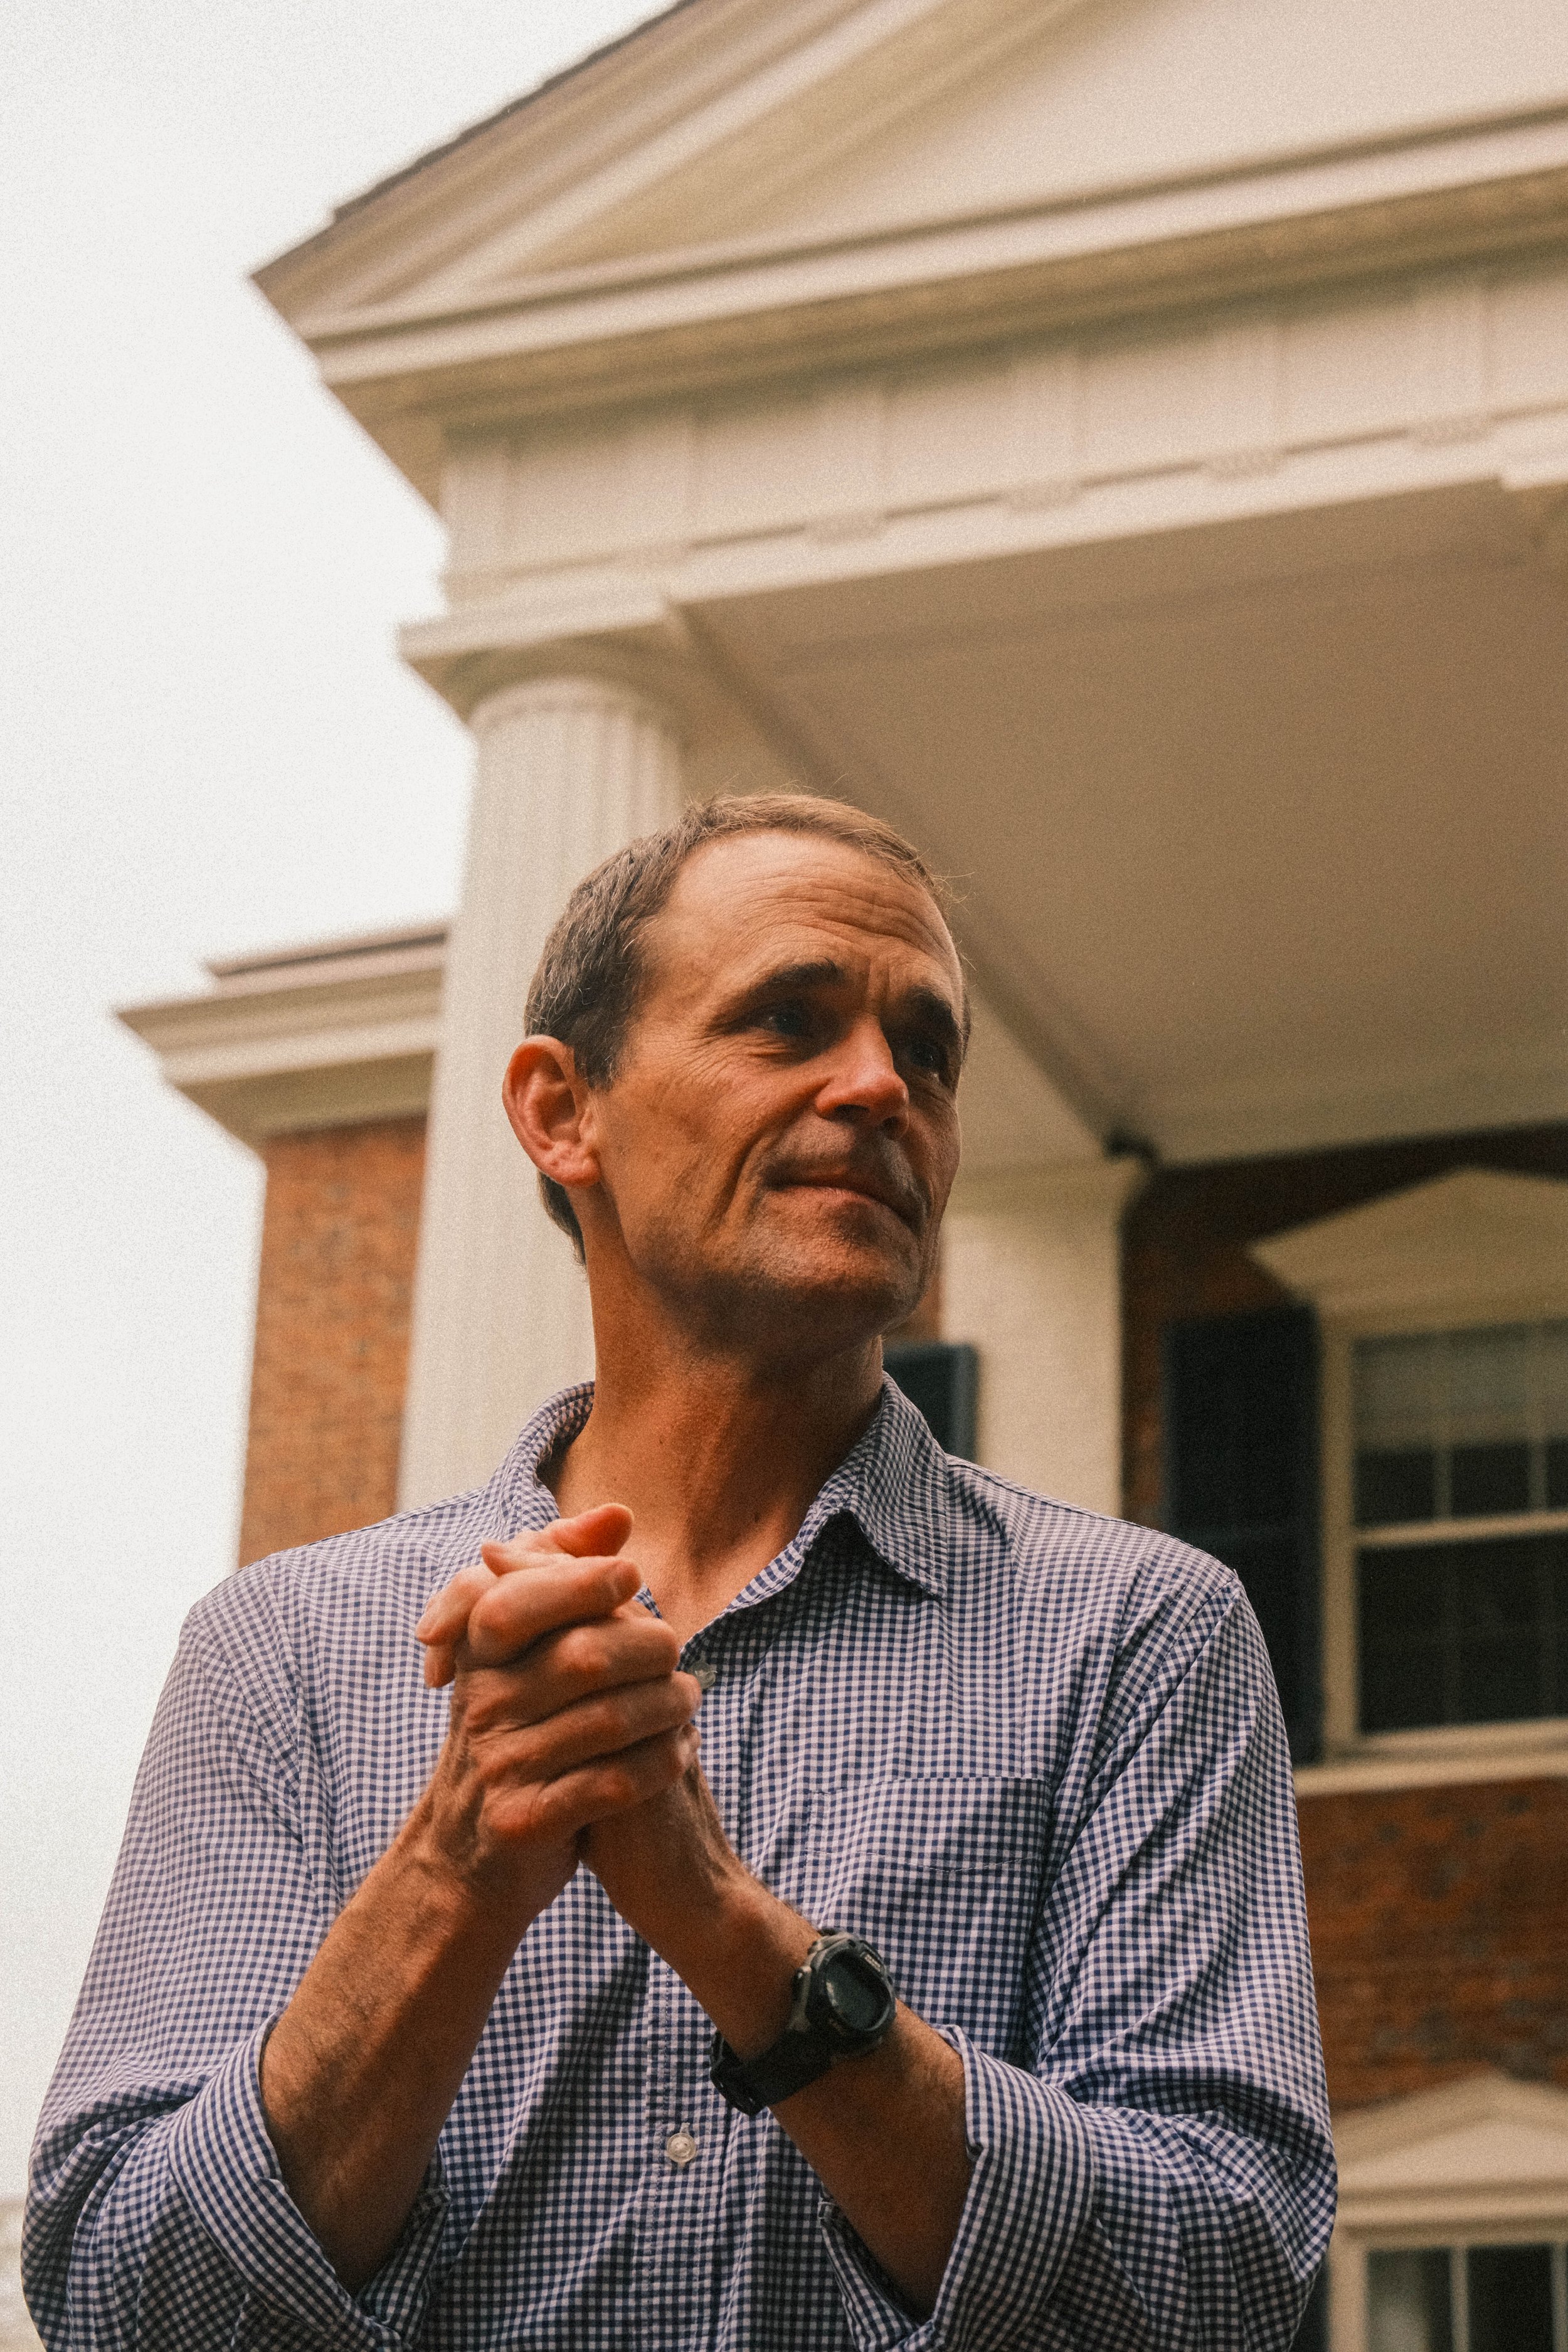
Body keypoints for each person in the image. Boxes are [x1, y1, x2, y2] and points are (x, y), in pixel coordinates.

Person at [26, 793, 1334, 2349]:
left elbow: (1219, 2278)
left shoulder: (1142, 1631)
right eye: (785, 1020)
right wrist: (457, 1864)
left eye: (926, 1052)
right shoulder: (284, 1648)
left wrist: (722, 1927)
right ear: (560, 1112)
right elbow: (118, 2297)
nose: (880, 1086)